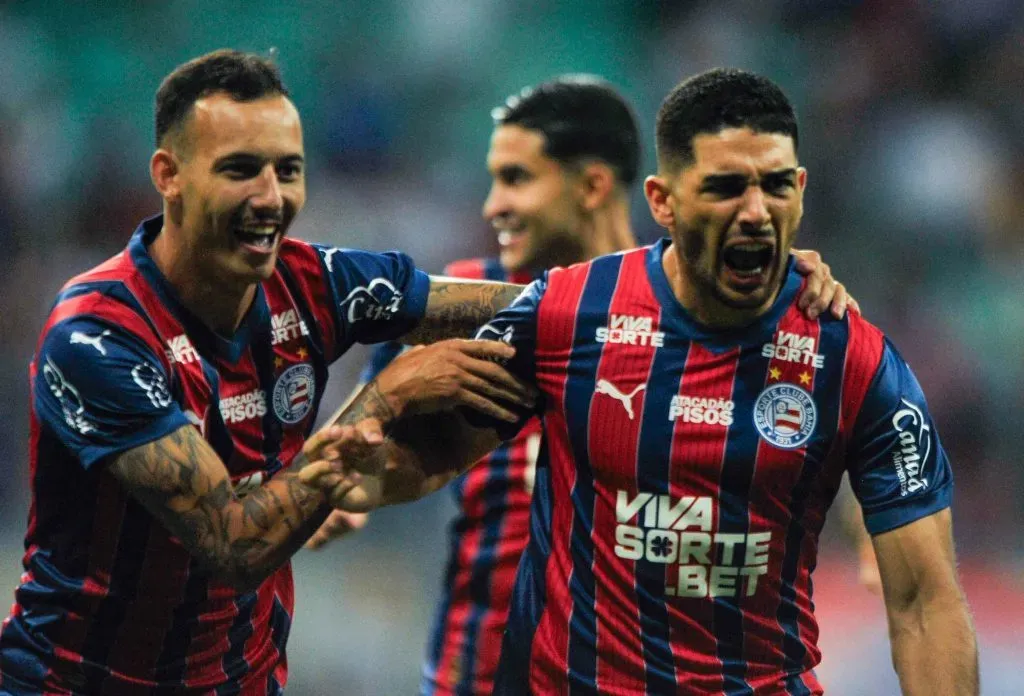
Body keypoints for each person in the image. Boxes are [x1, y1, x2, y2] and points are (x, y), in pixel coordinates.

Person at [308, 68, 978, 694]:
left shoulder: (848, 352)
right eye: (724, 187)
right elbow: (419, 459)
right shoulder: (563, 311)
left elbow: (923, 599)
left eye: (775, 185)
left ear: (801, 189)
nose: (754, 211)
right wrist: (357, 459)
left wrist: (866, 538)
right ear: (662, 200)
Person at [0, 49, 543, 695]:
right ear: (169, 174)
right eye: (240, 170)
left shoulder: (317, 282)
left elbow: (528, 311)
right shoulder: (98, 336)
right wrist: (386, 397)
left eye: (288, 170)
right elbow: (234, 548)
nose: (270, 198)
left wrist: (643, 302)